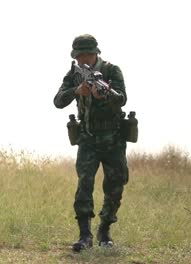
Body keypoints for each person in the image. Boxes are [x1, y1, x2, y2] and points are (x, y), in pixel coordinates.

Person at [54, 34, 129, 251]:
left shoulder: (112, 71)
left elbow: (122, 98)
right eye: (77, 57)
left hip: (113, 139)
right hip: (87, 138)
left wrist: (102, 96)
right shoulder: (74, 74)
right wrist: (77, 90)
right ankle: (84, 235)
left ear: (94, 53)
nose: (80, 61)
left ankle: (104, 230)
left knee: (116, 186)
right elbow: (58, 101)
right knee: (84, 185)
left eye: (83, 56)